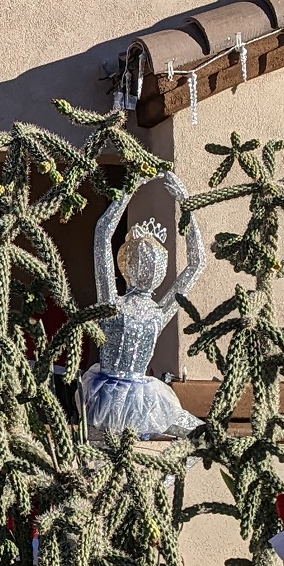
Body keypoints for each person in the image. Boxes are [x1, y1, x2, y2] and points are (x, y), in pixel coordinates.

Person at [81, 171, 205, 438]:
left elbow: (197, 264)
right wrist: (133, 187)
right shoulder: (117, 304)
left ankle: (166, 482)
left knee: (202, 433)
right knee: (106, 454)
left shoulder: (150, 310)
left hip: (144, 399)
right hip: (108, 400)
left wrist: (186, 204)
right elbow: (102, 234)